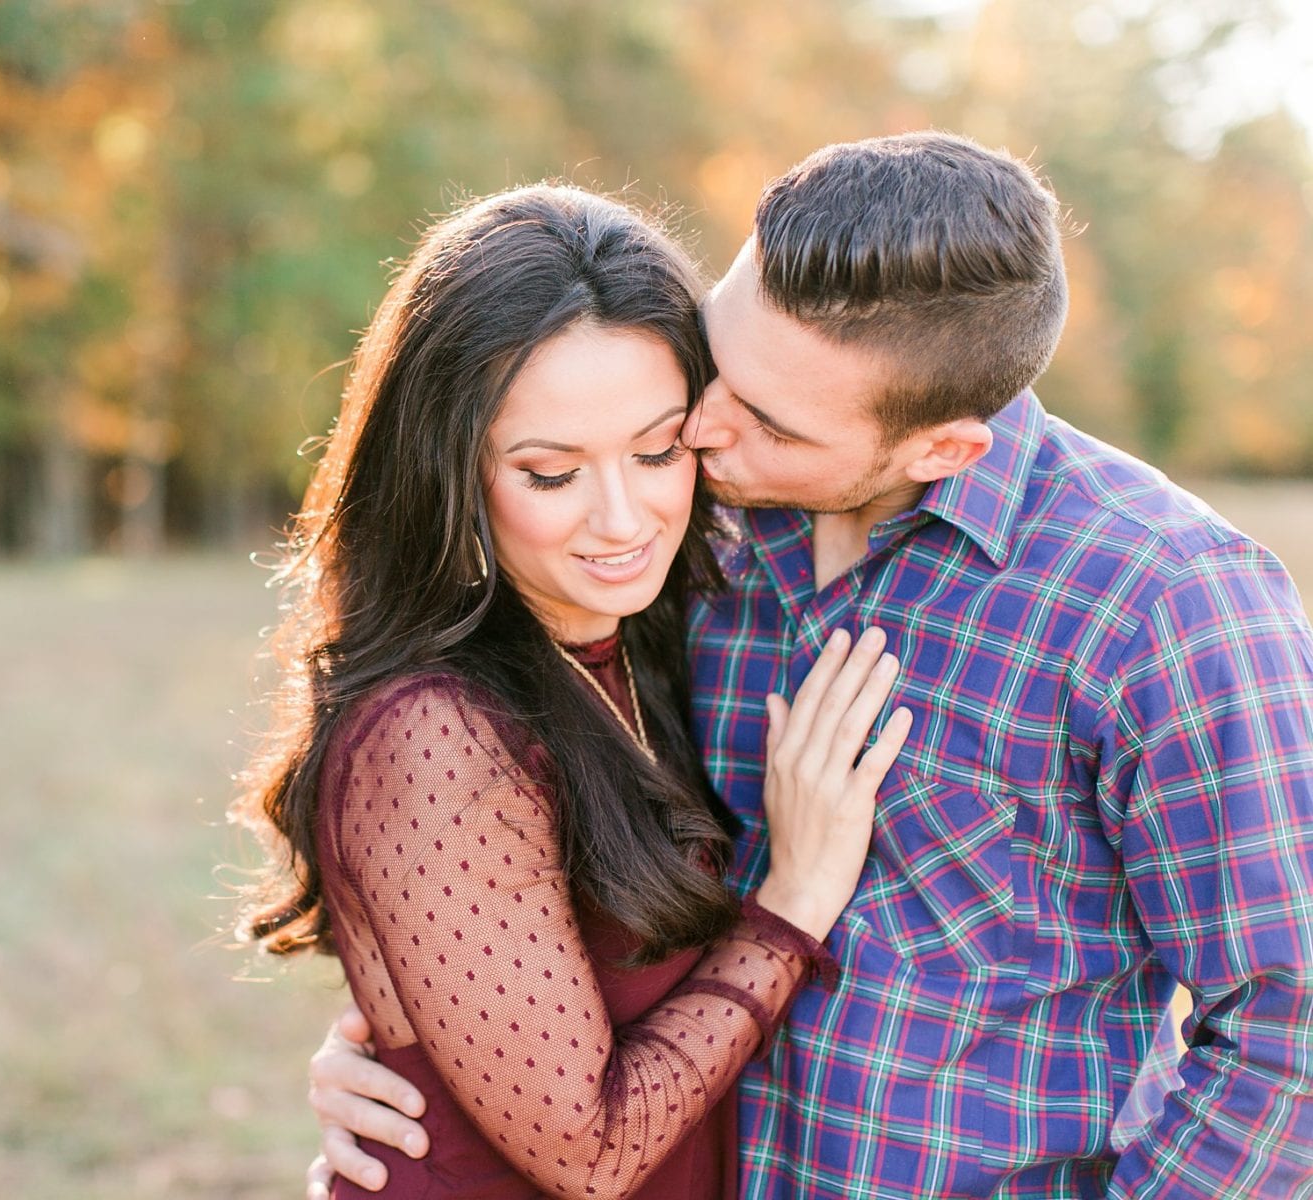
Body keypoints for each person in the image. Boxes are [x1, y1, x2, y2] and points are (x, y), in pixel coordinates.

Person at [307, 132, 1313, 1198]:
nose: (700, 427)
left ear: (942, 450)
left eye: (767, 423)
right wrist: (417, 1062)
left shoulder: (1165, 603)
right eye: (715, 365)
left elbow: (1286, 1027)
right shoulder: (692, 539)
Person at [232, 182, 915, 1198]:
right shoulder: (431, 733)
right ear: (450, 470)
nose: (622, 518)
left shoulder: (671, 634)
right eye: (551, 473)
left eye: (657, 449)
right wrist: (793, 904)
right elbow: (587, 1156)